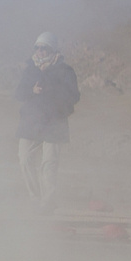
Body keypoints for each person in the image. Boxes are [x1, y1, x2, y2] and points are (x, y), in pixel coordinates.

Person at [15, 32, 79, 213]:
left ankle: (48, 202)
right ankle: (35, 198)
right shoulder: (30, 68)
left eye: (45, 48)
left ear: (53, 50)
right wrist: (32, 90)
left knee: (49, 164)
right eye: (38, 47)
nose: (41, 51)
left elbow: (74, 96)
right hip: (31, 122)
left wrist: (50, 88)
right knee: (24, 159)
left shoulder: (65, 71)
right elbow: (18, 93)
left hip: (54, 123)